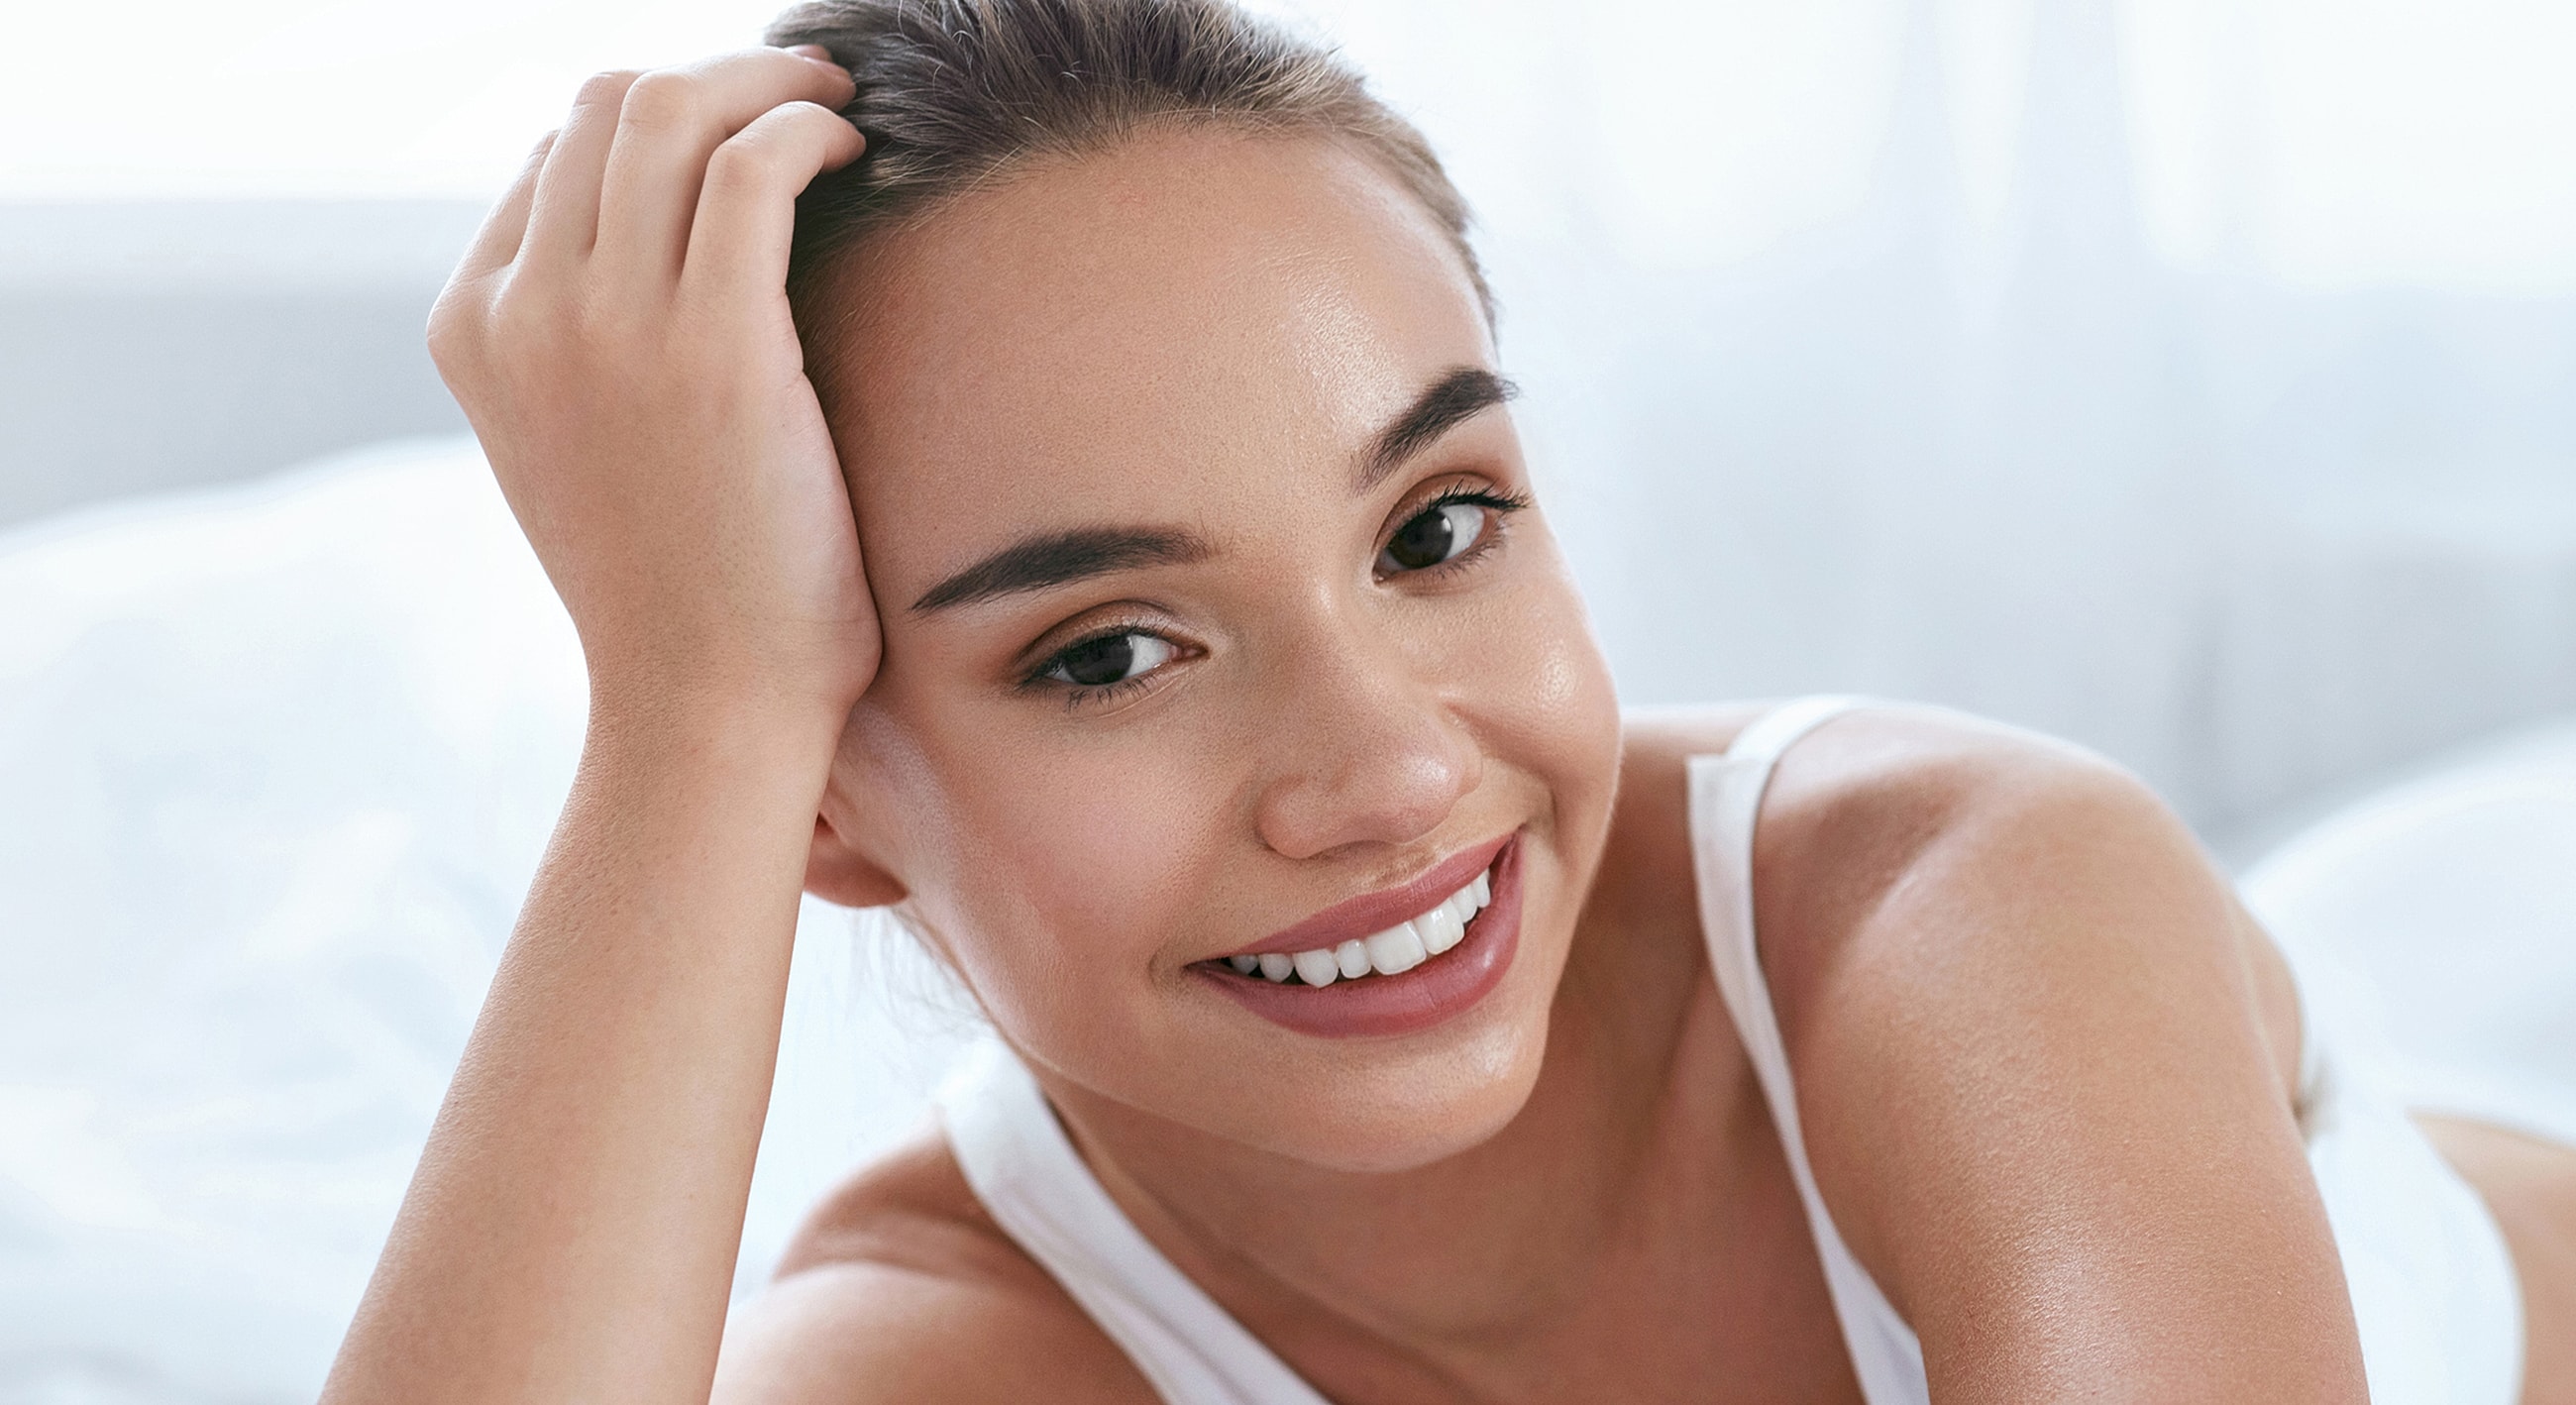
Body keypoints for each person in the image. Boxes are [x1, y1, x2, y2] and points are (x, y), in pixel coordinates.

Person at [321, 1, 2576, 1399]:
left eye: (1433, 528)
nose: (1393, 770)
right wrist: (692, 712)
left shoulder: (1968, 910)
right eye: (1108, 652)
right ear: (823, 798)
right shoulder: (965, 1338)